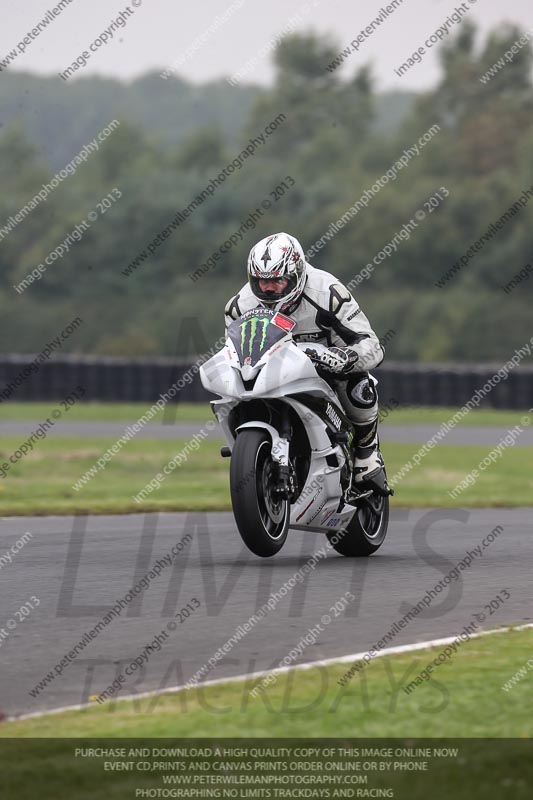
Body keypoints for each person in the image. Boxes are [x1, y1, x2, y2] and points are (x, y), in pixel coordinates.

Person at [224, 232, 387, 491]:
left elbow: (372, 345)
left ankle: (367, 453)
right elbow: (234, 349)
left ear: (297, 273)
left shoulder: (328, 293)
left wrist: (344, 357)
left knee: (358, 385)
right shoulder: (240, 306)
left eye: (278, 280)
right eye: (260, 281)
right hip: (272, 372)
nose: (267, 288)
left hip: (326, 368)